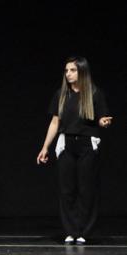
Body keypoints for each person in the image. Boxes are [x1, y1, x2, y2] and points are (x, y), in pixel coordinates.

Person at [36, 56, 112, 245]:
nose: (68, 74)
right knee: (66, 189)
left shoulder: (94, 93)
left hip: (87, 144)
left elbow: (102, 118)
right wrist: (45, 147)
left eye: (73, 70)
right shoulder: (61, 95)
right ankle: (71, 230)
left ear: (82, 72)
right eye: (67, 70)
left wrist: (103, 122)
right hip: (66, 144)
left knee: (86, 188)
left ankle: (83, 230)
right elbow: (55, 122)